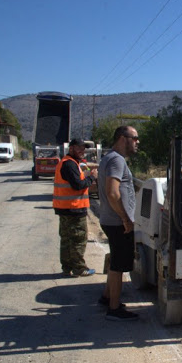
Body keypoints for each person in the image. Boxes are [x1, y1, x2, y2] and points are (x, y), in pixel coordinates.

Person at [98, 125, 140, 321]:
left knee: (115, 259)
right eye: (135, 138)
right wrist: (125, 218)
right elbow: (113, 192)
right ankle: (114, 309)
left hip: (110, 219)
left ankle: (107, 297)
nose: (137, 142)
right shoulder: (117, 160)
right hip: (117, 222)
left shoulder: (108, 157)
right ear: (123, 138)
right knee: (118, 265)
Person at [53, 138, 98, 277]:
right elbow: (78, 185)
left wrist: (84, 175)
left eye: (83, 149)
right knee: (78, 239)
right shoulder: (69, 164)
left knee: (67, 239)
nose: (82, 151)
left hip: (66, 208)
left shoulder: (68, 163)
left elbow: (75, 181)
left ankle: (67, 267)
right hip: (74, 209)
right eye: (79, 148)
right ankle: (79, 268)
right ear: (71, 149)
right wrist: (92, 177)